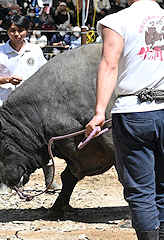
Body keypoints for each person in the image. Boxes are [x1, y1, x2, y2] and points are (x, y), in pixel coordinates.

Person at [85, 0, 164, 239]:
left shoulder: (117, 21)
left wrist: (99, 112)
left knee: (141, 190)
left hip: (133, 112)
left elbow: (109, 64)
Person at [0, 15, 60, 190]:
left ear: (27, 31)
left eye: (20, 30)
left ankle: (49, 180)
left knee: (41, 140)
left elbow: (44, 74)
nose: (16, 34)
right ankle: (5, 182)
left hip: (32, 107)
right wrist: (8, 80)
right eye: (12, 30)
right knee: (4, 143)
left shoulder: (35, 51)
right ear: (7, 31)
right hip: (5, 107)